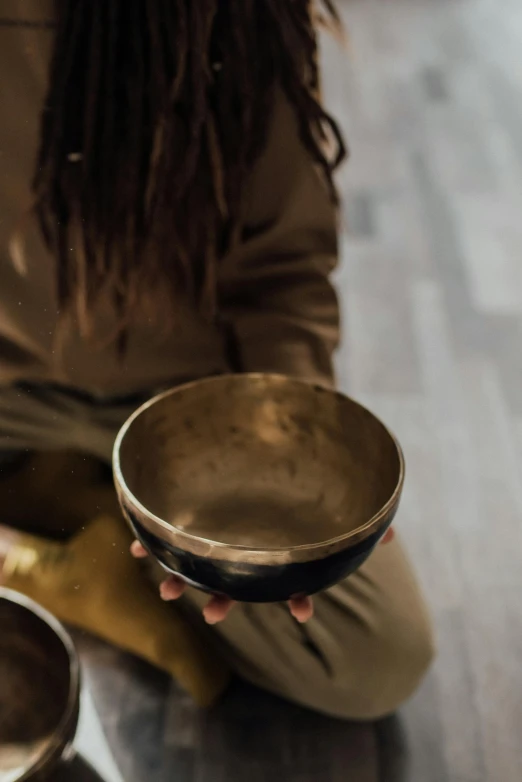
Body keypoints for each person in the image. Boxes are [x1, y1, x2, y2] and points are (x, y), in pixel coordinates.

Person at [0, 0, 434, 719]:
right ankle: (58, 541)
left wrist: (291, 465)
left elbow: (283, 273)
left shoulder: (242, 17)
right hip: (10, 393)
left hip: (193, 414)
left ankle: (77, 516)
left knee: (377, 656)